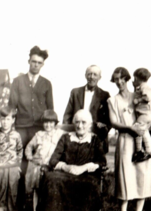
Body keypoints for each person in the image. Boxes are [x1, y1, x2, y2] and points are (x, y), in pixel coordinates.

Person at [8, 46, 53, 210]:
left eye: (39, 63)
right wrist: (11, 131)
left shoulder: (47, 84)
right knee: (21, 165)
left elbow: (50, 110)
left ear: (42, 65)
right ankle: (19, 203)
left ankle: (37, 204)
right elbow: (11, 107)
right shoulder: (18, 82)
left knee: (40, 165)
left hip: (39, 130)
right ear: (29, 61)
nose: (35, 65)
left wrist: (50, 133)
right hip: (21, 128)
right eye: (33, 61)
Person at [37, 109, 106, 211]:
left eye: (83, 122)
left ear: (90, 125)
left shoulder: (95, 140)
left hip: (87, 176)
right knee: (51, 179)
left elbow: (102, 162)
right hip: (65, 174)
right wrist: (67, 167)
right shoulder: (66, 137)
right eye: (77, 122)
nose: (80, 126)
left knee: (91, 185)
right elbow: (53, 160)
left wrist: (84, 168)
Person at [107, 67, 151, 211]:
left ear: (127, 78)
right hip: (125, 141)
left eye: (121, 78)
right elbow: (113, 122)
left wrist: (146, 126)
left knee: (141, 176)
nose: (119, 82)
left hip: (141, 140)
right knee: (125, 179)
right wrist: (130, 128)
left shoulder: (137, 94)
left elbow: (149, 110)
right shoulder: (112, 101)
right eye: (116, 79)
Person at [63, 65, 111, 153]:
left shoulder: (104, 95)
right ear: (85, 75)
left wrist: (103, 129)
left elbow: (109, 120)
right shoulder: (75, 92)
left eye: (95, 74)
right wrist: (66, 135)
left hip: (95, 137)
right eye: (89, 74)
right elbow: (68, 114)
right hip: (76, 134)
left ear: (99, 77)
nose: (91, 77)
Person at [24, 110, 64, 211]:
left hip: (51, 167)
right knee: (36, 189)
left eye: (51, 122)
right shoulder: (39, 135)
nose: (48, 125)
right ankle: (34, 208)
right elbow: (28, 147)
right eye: (46, 122)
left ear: (55, 123)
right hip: (38, 166)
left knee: (49, 191)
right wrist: (30, 157)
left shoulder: (60, 134)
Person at [0, 106, 23, 211]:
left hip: (12, 169)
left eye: (8, 119)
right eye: (2, 119)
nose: (5, 122)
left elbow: (20, 151)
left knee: (12, 193)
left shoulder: (16, 135)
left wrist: (18, 166)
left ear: (13, 120)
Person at [131, 68, 151, 162]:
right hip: (145, 114)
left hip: (144, 114)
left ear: (138, 78)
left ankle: (139, 151)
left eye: (135, 78)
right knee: (144, 131)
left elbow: (147, 98)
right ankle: (148, 150)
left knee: (137, 129)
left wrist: (137, 100)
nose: (134, 80)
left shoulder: (144, 87)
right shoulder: (142, 87)